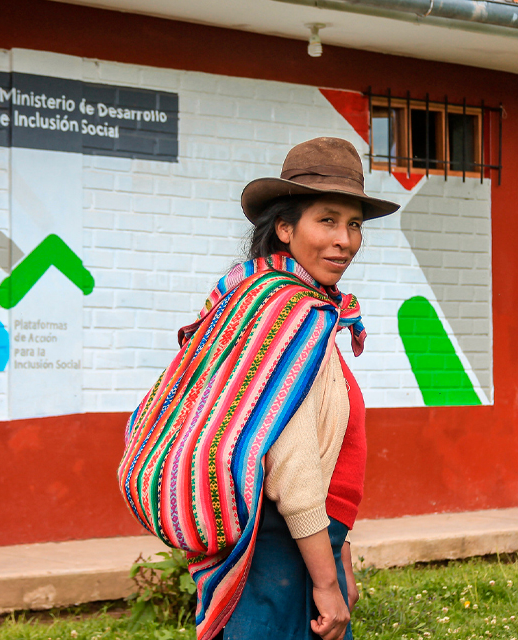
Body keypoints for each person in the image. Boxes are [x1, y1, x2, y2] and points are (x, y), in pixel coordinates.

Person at [118, 137, 399, 640]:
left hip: (306, 543)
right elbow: (292, 470)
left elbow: (326, 450)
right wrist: (326, 583)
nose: (346, 240)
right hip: (280, 546)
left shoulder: (272, 304)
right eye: (328, 220)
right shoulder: (288, 317)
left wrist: (342, 556)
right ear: (286, 228)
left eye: (354, 224)